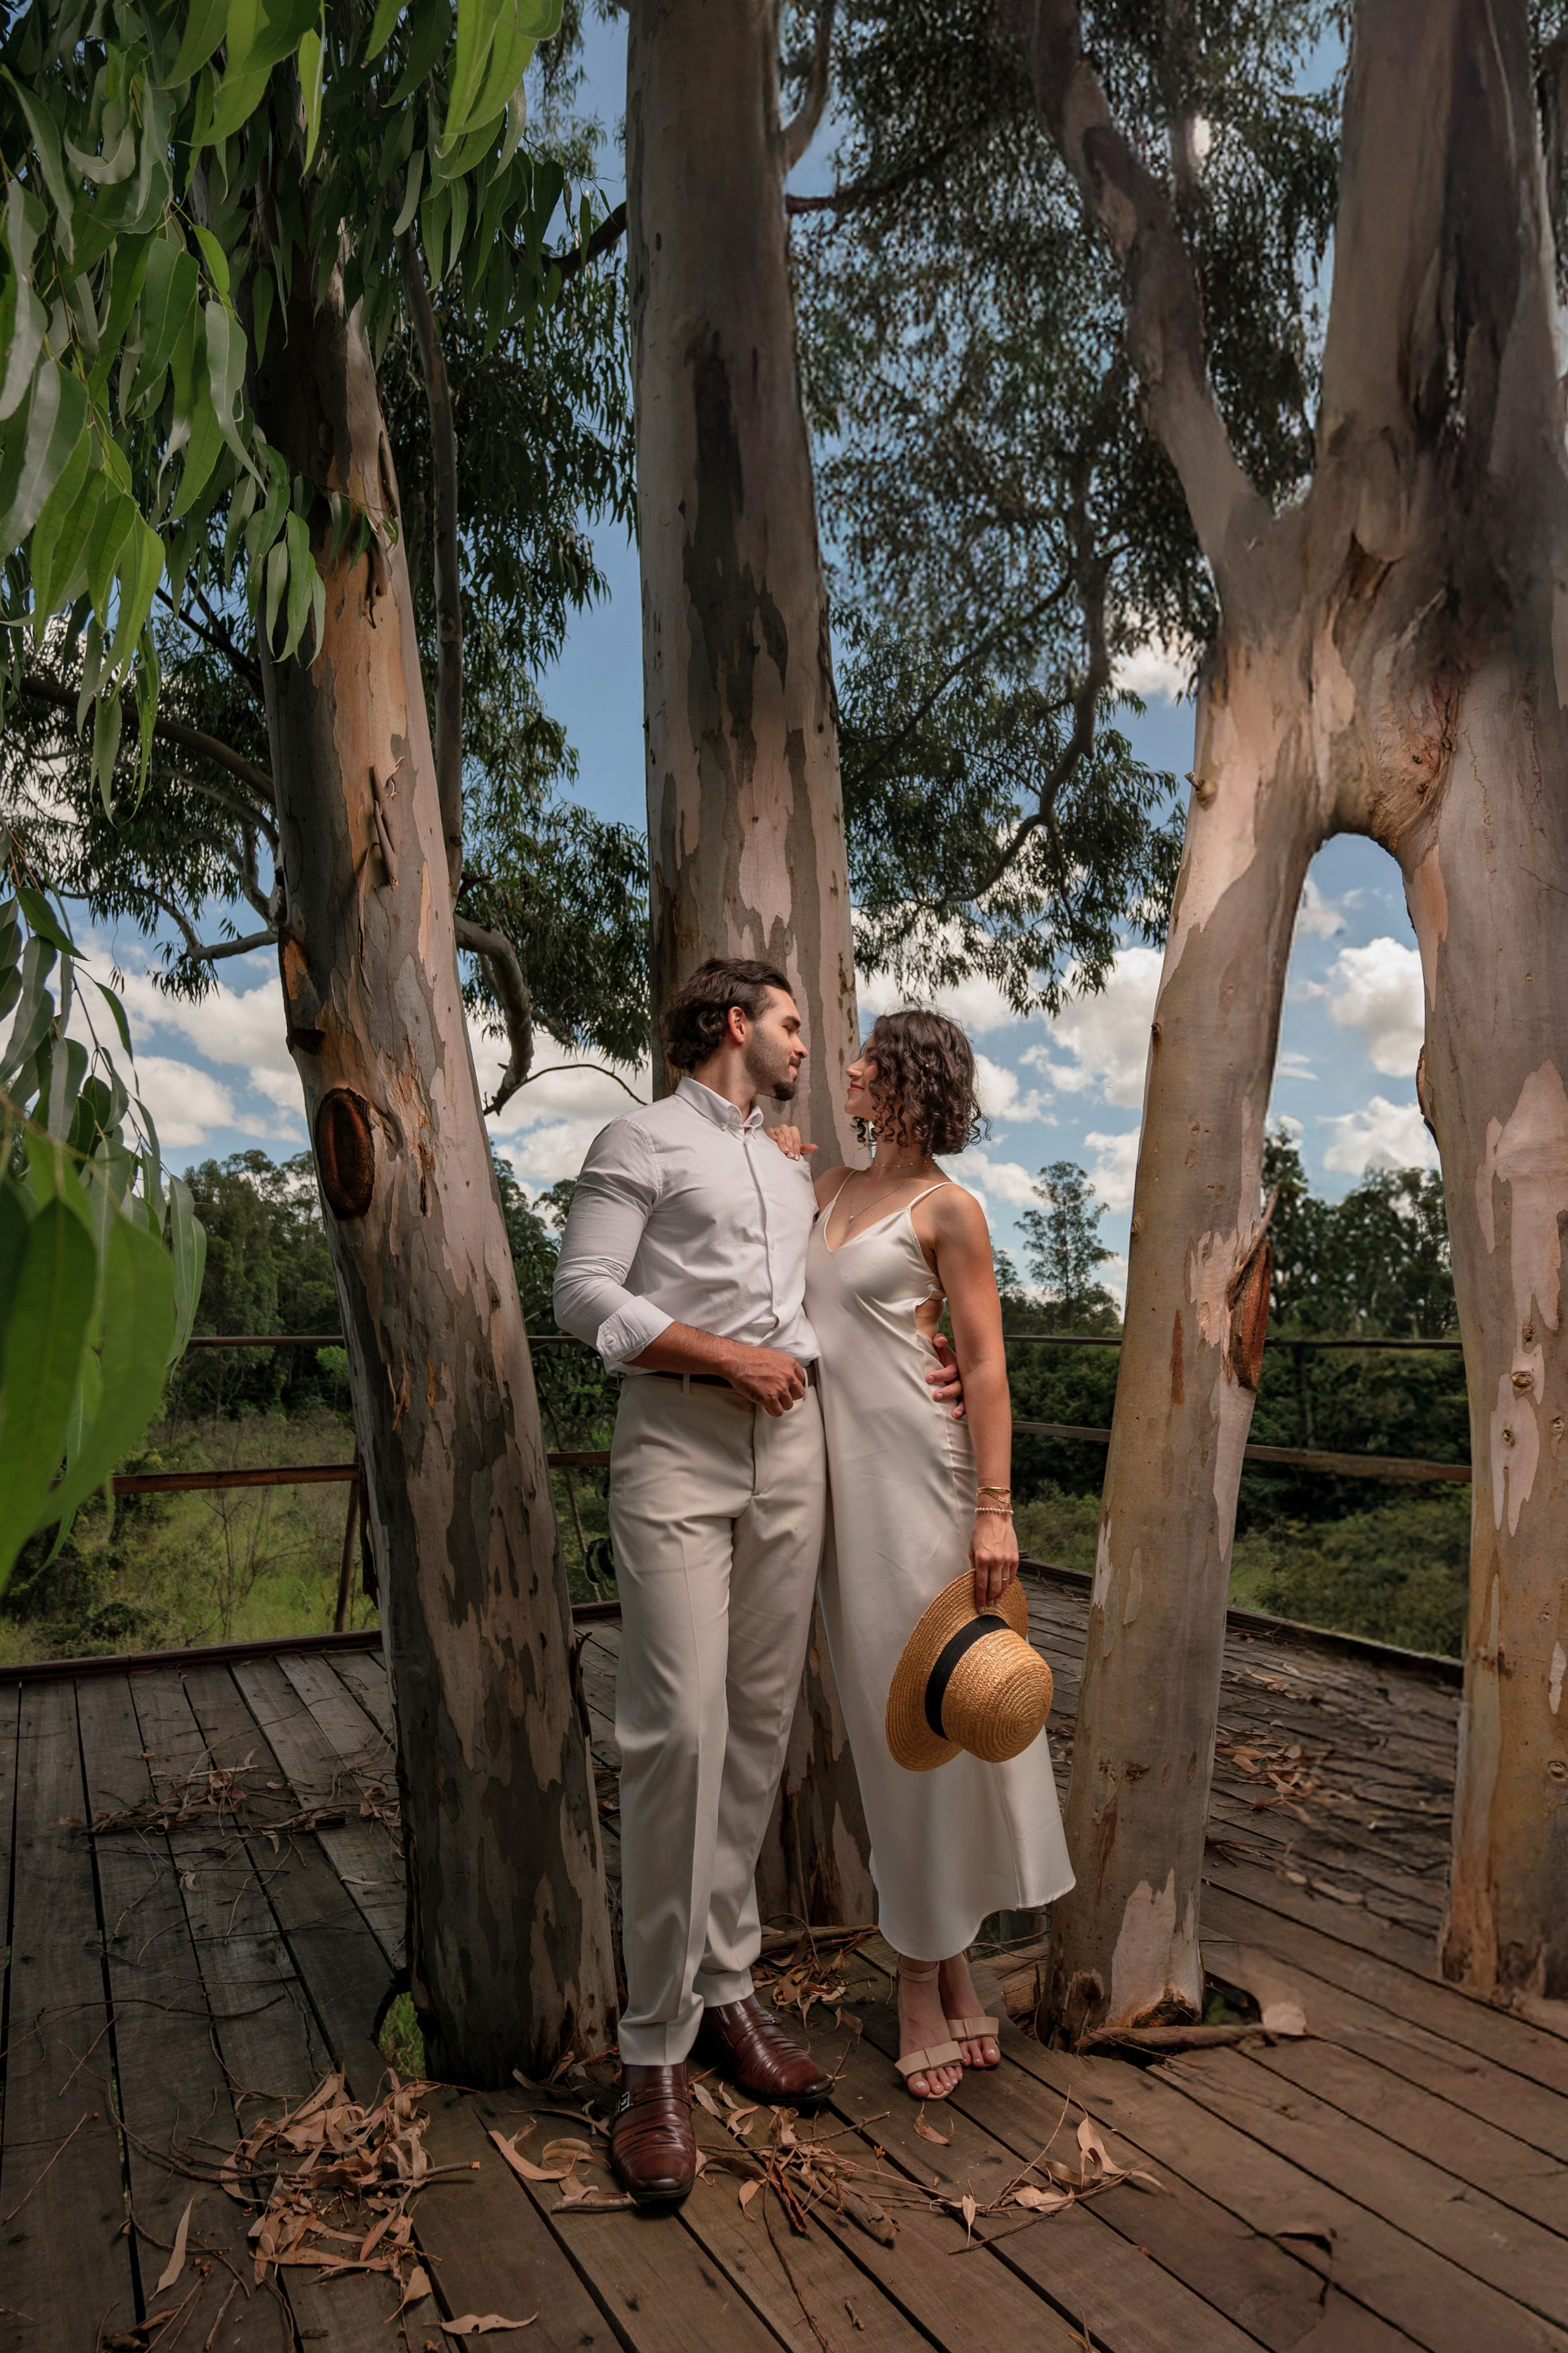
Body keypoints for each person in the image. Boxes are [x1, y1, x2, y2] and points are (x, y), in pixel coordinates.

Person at [552, 960, 965, 2203]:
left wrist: (927, 1357)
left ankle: (726, 1994)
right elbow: (581, 1295)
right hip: (677, 1440)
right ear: (737, 1025)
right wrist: (725, 1356)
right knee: (675, 1731)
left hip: (795, 1452)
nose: (805, 1043)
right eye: (791, 1023)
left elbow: (852, 1284)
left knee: (756, 1735)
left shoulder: (793, 1166)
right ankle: (649, 2058)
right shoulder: (637, 1138)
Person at [775, 1008, 1072, 2101]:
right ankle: (949, 1962)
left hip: (929, 1486)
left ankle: (914, 1976)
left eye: (865, 1059)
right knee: (885, 1722)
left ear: (905, 1082)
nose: (845, 1068)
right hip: (841, 1495)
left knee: (936, 1723)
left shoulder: (950, 1207)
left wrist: (995, 1509)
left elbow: (984, 1368)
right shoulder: (823, 1193)